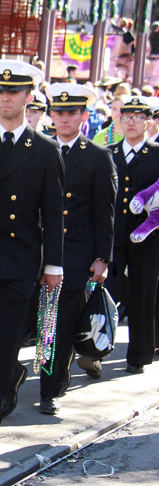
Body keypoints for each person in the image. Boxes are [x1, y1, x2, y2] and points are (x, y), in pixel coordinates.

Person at [0, 60, 64, 447]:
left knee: (5, 339)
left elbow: (54, 212)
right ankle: (10, 374)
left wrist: (53, 264)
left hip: (21, 259)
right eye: (0, 92)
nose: (5, 98)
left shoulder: (44, 150)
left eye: (13, 92)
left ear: (28, 97)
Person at [36, 83, 116, 412]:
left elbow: (105, 211)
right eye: (59, 112)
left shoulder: (98, 157)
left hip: (76, 248)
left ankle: (50, 389)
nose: (64, 118)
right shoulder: (39, 148)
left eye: (72, 113)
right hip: (36, 247)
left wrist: (102, 258)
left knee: (60, 319)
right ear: (51, 115)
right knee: (35, 319)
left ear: (84, 116)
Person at [105, 96, 159, 374]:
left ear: (148, 122)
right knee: (106, 294)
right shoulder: (108, 153)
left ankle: (138, 356)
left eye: (138, 117)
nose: (131, 122)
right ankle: (96, 348)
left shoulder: (157, 153)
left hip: (147, 239)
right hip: (113, 237)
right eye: (126, 117)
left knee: (142, 295)